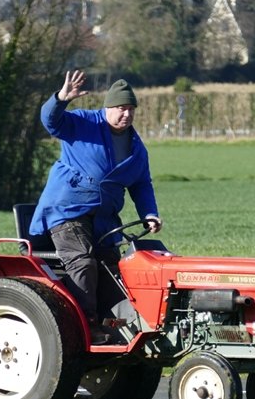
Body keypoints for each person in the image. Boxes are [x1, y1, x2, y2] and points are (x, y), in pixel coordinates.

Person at [29, 70, 162, 344]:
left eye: (131, 109)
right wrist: (61, 98)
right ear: (108, 108)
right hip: (67, 210)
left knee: (115, 267)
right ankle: (85, 327)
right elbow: (50, 121)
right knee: (83, 262)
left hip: (104, 219)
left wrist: (149, 213)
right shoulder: (82, 123)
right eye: (121, 108)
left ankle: (118, 325)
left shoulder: (137, 148)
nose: (126, 114)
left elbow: (141, 184)